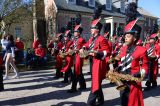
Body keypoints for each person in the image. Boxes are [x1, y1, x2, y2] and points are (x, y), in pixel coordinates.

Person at [116, 3, 148, 106]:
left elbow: (145, 67)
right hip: (123, 81)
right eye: (125, 36)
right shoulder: (123, 48)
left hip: (134, 82)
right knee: (124, 102)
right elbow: (122, 62)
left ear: (135, 38)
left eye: (128, 36)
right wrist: (118, 68)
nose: (125, 38)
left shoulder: (141, 50)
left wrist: (139, 74)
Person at [80, 6, 110, 106]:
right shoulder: (92, 39)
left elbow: (107, 51)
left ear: (97, 29)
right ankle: (101, 101)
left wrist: (97, 53)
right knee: (96, 82)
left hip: (99, 63)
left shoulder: (101, 39)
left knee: (95, 84)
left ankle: (90, 103)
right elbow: (87, 45)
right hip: (93, 63)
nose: (91, 29)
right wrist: (84, 47)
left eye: (92, 28)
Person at [67, 17, 86, 93]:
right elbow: (73, 45)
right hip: (74, 57)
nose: (74, 33)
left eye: (75, 31)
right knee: (79, 73)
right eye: (74, 31)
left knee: (76, 72)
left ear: (79, 32)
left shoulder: (82, 39)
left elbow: (84, 48)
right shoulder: (74, 39)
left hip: (79, 57)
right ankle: (83, 85)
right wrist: (71, 48)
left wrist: (79, 50)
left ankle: (73, 88)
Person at [144, 24, 160, 90]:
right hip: (148, 61)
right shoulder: (147, 45)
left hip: (153, 62)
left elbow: (158, 54)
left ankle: (152, 83)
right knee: (149, 73)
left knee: (153, 73)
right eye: (150, 39)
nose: (150, 40)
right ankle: (150, 83)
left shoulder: (157, 46)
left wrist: (155, 56)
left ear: (155, 40)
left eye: (151, 39)